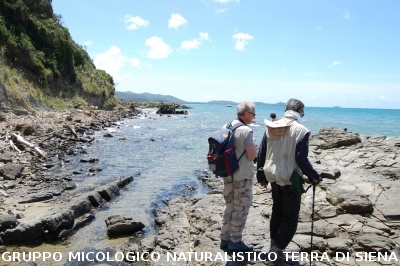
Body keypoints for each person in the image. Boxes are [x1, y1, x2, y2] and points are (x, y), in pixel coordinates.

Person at [256, 98, 322, 261]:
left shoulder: (271, 126)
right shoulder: (301, 130)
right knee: (290, 217)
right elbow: (301, 159)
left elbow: (261, 153)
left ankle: (274, 244)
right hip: (289, 179)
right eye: (303, 111)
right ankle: (277, 249)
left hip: (272, 175)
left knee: (277, 210)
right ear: (299, 111)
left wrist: (261, 175)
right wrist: (314, 176)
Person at [220, 101, 257, 252]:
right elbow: (251, 155)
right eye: (253, 114)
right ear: (246, 114)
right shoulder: (246, 131)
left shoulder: (226, 126)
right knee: (240, 209)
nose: (254, 117)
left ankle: (225, 239)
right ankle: (235, 242)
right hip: (242, 176)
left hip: (228, 174)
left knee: (229, 207)